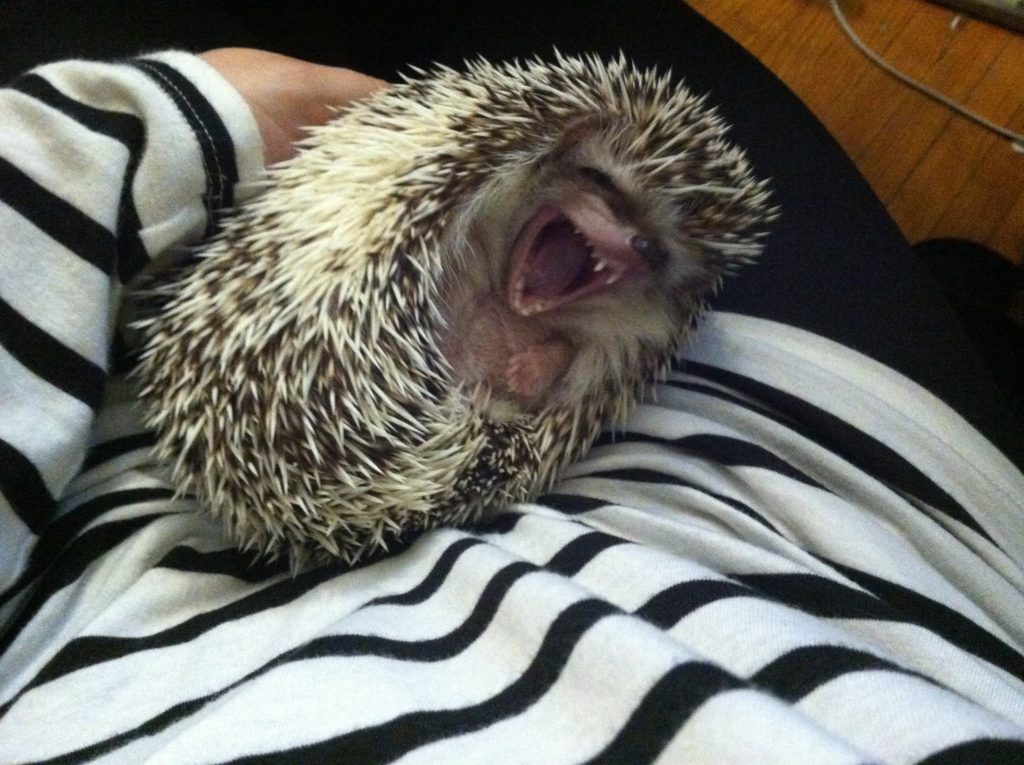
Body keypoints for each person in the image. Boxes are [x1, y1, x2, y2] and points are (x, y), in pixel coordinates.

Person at [1, 37, 1022, 765]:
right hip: (886, 526)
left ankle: (961, 284)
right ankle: (962, 285)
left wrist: (163, 120)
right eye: (608, 199)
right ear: (546, 146)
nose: (621, 242)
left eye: (649, 252)